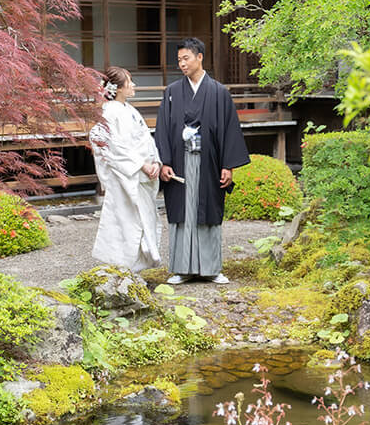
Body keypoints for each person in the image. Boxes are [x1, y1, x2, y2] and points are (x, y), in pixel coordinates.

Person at [155, 37, 250, 284]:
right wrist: (164, 162)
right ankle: (181, 269)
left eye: (186, 58)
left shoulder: (218, 92)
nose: (182, 64)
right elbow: (163, 128)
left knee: (207, 211)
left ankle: (211, 269)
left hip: (208, 162)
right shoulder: (173, 92)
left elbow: (229, 129)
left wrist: (227, 165)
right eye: (179, 60)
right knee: (182, 213)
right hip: (179, 161)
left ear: (200, 57)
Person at [89, 66, 163, 272]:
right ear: (118, 88)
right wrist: (140, 164)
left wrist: (155, 162)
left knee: (142, 220)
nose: (134, 86)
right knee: (125, 221)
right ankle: (123, 268)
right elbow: (104, 142)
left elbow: (147, 140)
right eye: (129, 82)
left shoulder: (129, 110)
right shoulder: (109, 111)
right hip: (126, 176)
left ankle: (136, 268)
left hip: (141, 173)